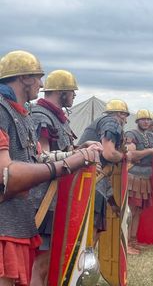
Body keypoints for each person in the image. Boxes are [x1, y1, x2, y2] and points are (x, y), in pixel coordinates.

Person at [0, 50, 102, 286]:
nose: (41, 84)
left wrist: (76, 154)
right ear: (24, 78)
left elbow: (37, 157)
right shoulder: (2, 110)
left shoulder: (20, 114)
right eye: (37, 77)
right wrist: (66, 165)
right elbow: (7, 174)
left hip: (17, 217)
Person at [30, 70, 79, 285]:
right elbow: (44, 158)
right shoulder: (41, 116)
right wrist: (79, 156)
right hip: (42, 198)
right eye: (71, 92)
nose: (74, 96)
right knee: (39, 262)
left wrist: (81, 149)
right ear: (61, 92)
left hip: (56, 196)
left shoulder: (58, 117)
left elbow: (64, 150)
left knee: (50, 260)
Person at [78, 99, 133, 246]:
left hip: (86, 180)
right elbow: (108, 153)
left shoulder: (101, 122)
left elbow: (105, 167)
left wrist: (113, 202)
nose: (125, 120)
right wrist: (124, 157)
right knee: (90, 234)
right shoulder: (111, 122)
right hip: (91, 180)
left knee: (87, 233)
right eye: (124, 115)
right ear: (119, 114)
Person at [125, 109, 153, 255]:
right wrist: (151, 151)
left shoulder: (150, 135)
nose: (146, 121)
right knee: (130, 211)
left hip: (145, 178)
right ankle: (125, 243)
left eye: (148, 119)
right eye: (143, 119)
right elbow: (131, 154)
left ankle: (133, 240)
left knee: (138, 211)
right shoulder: (131, 134)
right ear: (137, 121)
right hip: (133, 177)